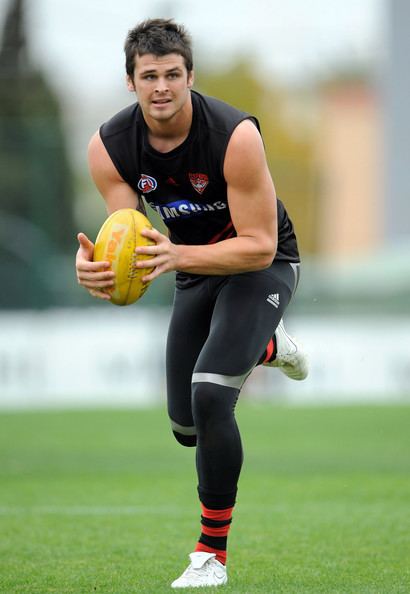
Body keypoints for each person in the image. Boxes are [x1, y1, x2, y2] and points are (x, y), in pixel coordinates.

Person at [76, 18, 308, 589]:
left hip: (262, 265)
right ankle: (268, 346)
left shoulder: (234, 136)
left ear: (190, 77)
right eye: (148, 75)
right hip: (192, 268)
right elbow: (127, 241)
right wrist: (96, 272)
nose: (161, 86)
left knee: (211, 396)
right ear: (130, 82)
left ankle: (210, 556)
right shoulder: (109, 147)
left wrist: (177, 257)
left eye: (172, 74)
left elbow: (256, 246)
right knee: (185, 426)